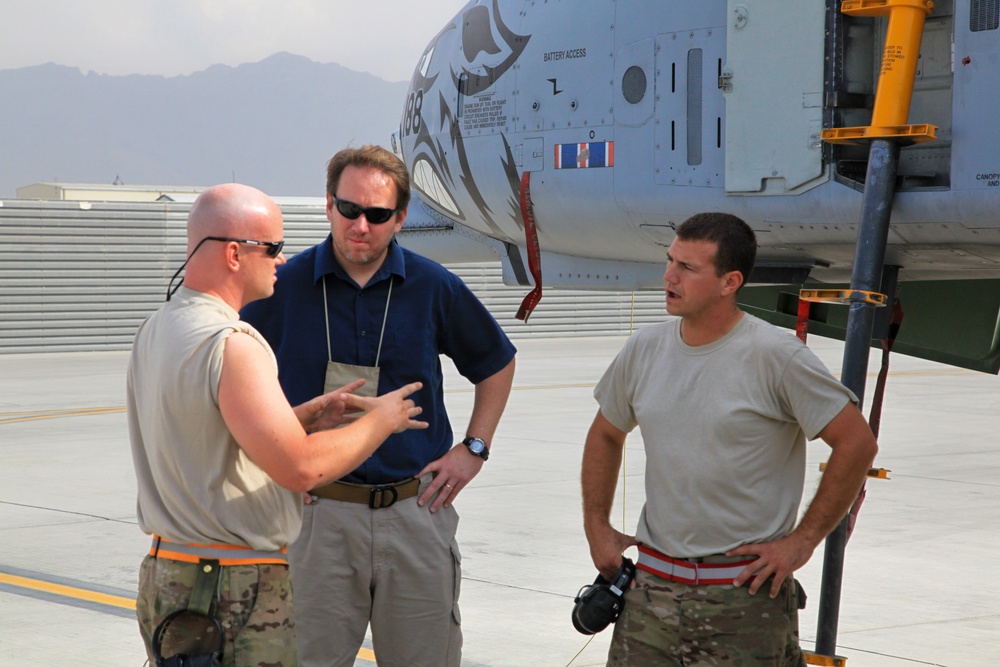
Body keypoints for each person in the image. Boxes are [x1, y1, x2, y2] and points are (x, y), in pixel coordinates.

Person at [127, 183, 427, 667]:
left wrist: (302, 417)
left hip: (172, 572)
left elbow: (208, 436)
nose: (281, 261)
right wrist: (383, 420)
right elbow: (301, 469)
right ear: (233, 253)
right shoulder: (234, 342)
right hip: (229, 585)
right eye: (272, 248)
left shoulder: (159, 327)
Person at [240, 145, 517, 667]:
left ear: (401, 218)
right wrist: (271, 466)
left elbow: (496, 364)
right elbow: (236, 384)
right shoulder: (281, 288)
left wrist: (474, 448)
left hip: (414, 512)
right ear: (328, 206)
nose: (360, 225)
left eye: (377, 214)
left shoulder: (434, 286)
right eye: (348, 210)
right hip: (315, 518)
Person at [581, 212, 878, 666]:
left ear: (729, 282)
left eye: (688, 268)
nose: (669, 276)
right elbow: (605, 433)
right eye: (670, 261)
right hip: (650, 596)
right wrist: (596, 526)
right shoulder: (644, 349)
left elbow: (856, 443)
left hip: (743, 600)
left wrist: (802, 542)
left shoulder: (776, 356)